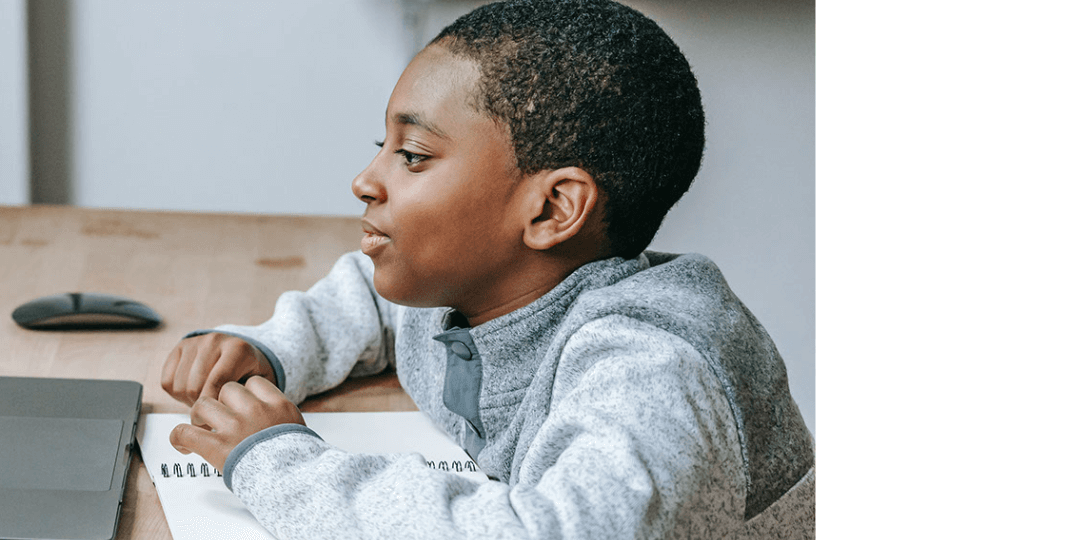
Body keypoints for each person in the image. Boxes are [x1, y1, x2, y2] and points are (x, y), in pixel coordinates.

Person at [158, 0, 814, 537]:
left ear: (553, 209)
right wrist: (273, 351)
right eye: (379, 148)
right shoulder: (469, 287)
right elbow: (377, 297)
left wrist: (280, 463)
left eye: (412, 155)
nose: (363, 180)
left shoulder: (652, 372)